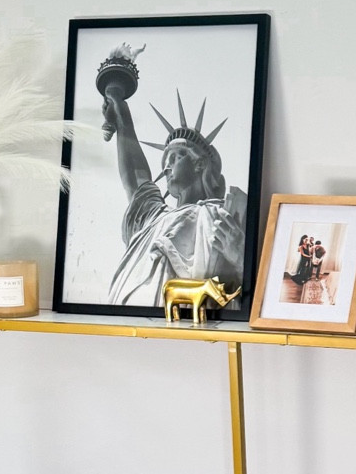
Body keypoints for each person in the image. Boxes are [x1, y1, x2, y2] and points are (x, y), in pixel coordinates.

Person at [99, 46, 247, 306]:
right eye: (164, 160)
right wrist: (118, 103)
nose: (166, 166)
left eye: (175, 157)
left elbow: (239, 292)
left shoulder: (223, 217)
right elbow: (136, 177)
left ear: (199, 164)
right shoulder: (154, 217)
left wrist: (241, 256)